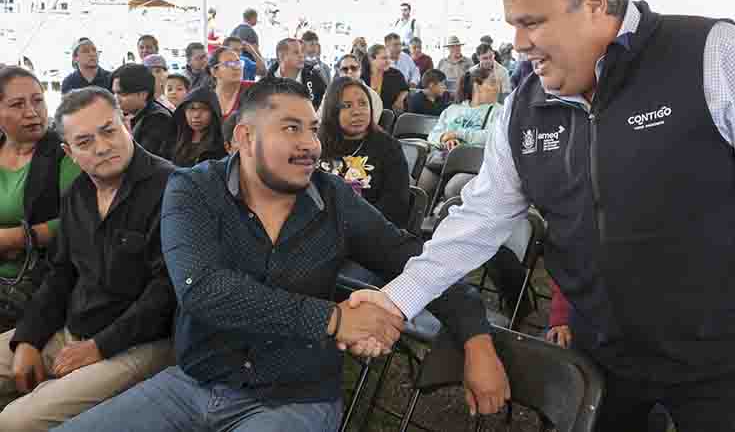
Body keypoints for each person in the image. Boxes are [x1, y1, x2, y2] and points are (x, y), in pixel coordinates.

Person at [349, 0, 735, 432]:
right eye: (513, 26)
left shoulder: (714, 54)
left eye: (532, 22)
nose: (518, 44)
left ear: (593, 1)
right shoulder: (525, 104)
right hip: (599, 352)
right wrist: (396, 297)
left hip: (719, 351)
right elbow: (480, 217)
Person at [55, 77, 508, 432]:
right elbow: (204, 290)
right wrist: (332, 319)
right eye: (291, 128)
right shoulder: (192, 188)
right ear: (245, 137)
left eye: (312, 128)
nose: (311, 144)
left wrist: (476, 338)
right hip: (194, 384)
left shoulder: (332, 198)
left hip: (296, 398)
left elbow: (413, 258)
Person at [0, 87, 175, 431]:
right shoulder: (77, 193)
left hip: (142, 344)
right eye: (84, 142)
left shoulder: (173, 187)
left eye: (108, 131)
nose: (102, 147)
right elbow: (61, 273)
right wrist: (29, 338)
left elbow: (167, 290)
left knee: (14, 422)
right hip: (72, 330)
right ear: (69, 152)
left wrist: (99, 347)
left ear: (126, 123)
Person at [0, 67, 82, 332]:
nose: (32, 112)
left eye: (38, 100)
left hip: (38, 283)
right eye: (17, 104)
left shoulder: (64, 151)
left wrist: (13, 238)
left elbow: (80, 217)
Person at [319, 77, 410, 228]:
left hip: (369, 233)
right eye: (347, 105)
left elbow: (395, 206)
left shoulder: (388, 147)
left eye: (363, 104)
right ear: (332, 110)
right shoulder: (316, 145)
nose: (357, 112)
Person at [417, 66, 502, 196]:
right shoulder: (453, 109)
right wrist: (445, 138)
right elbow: (433, 135)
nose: (498, 87)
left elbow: (492, 137)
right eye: (492, 83)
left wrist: (458, 133)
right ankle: (425, 215)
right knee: (421, 183)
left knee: (453, 188)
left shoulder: (499, 111)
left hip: (473, 165)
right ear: (477, 86)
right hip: (444, 159)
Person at [111, 64, 174, 158]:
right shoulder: (138, 114)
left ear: (143, 94)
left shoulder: (158, 119)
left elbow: (144, 159)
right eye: (114, 93)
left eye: (122, 94)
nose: (115, 99)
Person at [169, 87, 227, 168]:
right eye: (191, 109)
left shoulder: (222, 144)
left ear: (213, 112)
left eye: (204, 109)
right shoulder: (174, 139)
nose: (196, 115)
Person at [321, 54, 383, 123]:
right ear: (339, 72)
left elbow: (371, 125)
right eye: (345, 69)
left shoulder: (372, 96)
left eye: (353, 68)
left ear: (360, 70)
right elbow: (320, 118)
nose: (349, 72)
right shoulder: (330, 93)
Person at [267, 38, 327, 108]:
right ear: (282, 57)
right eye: (296, 52)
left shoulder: (315, 78)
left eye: (302, 52)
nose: (301, 55)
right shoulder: (266, 82)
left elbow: (322, 107)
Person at [209, 47, 255, 121]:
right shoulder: (206, 97)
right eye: (229, 64)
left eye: (238, 62)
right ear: (214, 71)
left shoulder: (254, 89)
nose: (236, 67)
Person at [364, 44, 408, 113]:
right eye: (384, 58)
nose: (388, 61)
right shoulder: (363, 75)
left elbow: (405, 89)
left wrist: (400, 100)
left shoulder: (396, 74)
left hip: (389, 115)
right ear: (371, 59)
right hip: (367, 113)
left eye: (389, 58)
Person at [230, 9, 267, 81]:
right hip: (248, 68)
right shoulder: (250, 31)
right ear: (253, 18)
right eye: (256, 18)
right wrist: (261, 61)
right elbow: (254, 49)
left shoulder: (235, 30)